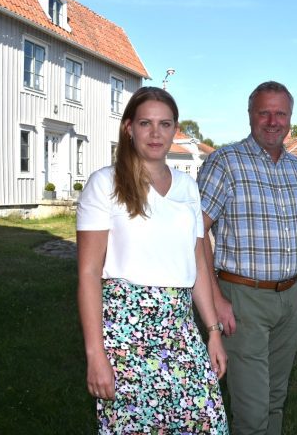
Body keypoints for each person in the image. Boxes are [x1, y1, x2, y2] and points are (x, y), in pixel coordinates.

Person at [76, 86, 228, 434]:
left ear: (176, 129)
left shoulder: (188, 187)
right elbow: (87, 273)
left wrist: (213, 332)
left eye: (165, 124)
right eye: (146, 123)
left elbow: (198, 265)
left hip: (181, 331)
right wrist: (95, 353)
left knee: (207, 424)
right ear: (129, 127)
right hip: (126, 335)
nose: (155, 133)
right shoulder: (105, 184)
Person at [197, 80, 297, 434]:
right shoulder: (225, 162)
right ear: (250, 115)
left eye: (280, 113)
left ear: (290, 118)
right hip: (243, 299)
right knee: (252, 411)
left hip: (290, 297)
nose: (272, 120)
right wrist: (217, 297)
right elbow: (196, 232)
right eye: (264, 112)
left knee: (274, 400)